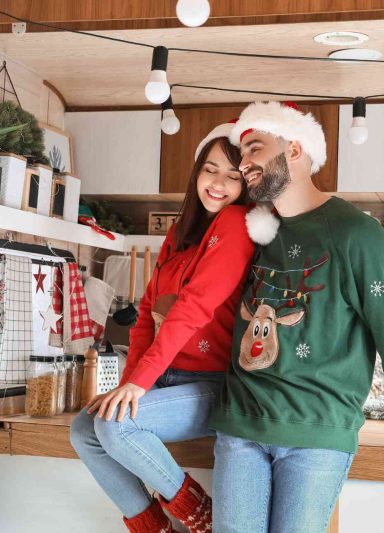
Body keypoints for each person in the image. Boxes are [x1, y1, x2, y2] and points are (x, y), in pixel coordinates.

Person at [208, 101, 384, 532]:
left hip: (317, 434)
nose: (243, 162)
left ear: (294, 149)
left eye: (254, 148)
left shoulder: (356, 233)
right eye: (242, 152)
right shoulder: (251, 231)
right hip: (241, 425)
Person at [70, 122, 254, 533]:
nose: (218, 183)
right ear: (197, 172)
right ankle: (156, 528)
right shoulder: (181, 231)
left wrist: (138, 385)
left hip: (211, 385)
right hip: (166, 380)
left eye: (233, 176)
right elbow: (147, 315)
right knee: (83, 429)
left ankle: (200, 515)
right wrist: (131, 384)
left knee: (115, 424)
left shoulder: (236, 222)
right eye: (210, 169)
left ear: (246, 185)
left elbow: (193, 308)